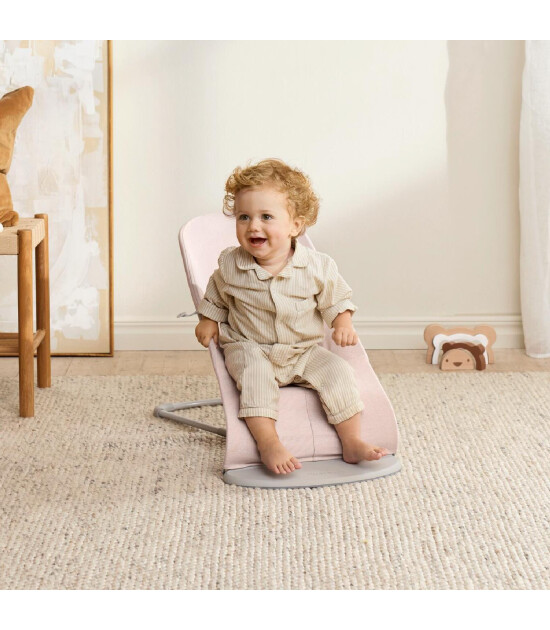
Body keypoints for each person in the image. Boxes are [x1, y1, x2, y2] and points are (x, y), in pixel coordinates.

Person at [195, 158, 389, 475]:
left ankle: (352, 440)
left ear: (295, 226)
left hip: (303, 351)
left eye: (266, 217)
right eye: (244, 217)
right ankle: (268, 442)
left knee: (338, 372)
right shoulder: (231, 264)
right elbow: (216, 292)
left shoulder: (317, 266)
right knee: (255, 377)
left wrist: (342, 321)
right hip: (251, 348)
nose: (253, 226)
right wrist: (208, 319)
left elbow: (337, 298)